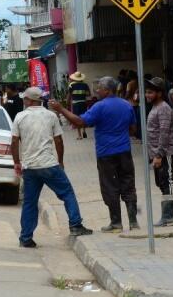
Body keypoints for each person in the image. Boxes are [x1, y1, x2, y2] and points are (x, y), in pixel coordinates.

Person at [50, 77, 139, 233]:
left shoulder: (100, 107)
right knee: (128, 184)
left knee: (110, 187)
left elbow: (79, 122)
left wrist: (61, 109)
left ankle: (116, 223)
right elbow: (132, 128)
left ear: (107, 90)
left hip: (106, 153)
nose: (97, 91)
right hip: (124, 151)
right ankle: (133, 222)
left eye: (99, 88)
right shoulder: (126, 105)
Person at [12, 87, 92, 248]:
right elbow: (59, 141)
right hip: (49, 164)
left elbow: (14, 142)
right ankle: (75, 225)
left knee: (29, 202)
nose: (23, 101)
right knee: (67, 193)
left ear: (30, 100)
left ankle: (25, 237)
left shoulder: (20, 117)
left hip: (30, 166)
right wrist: (60, 161)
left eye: (25, 98)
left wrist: (17, 162)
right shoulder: (51, 116)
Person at [145, 78, 173, 227]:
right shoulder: (155, 107)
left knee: (167, 182)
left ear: (159, 93)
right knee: (162, 183)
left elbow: (164, 133)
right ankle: (167, 216)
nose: (147, 95)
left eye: (150, 92)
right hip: (156, 154)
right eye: (146, 92)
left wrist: (159, 155)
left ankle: (169, 217)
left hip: (165, 153)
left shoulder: (163, 108)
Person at [68, 72, 90, 140]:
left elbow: (69, 95)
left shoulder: (71, 85)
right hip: (83, 103)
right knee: (83, 117)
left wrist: (67, 102)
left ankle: (79, 135)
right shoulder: (85, 85)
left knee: (76, 118)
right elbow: (88, 94)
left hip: (75, 104)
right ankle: (84, 131)